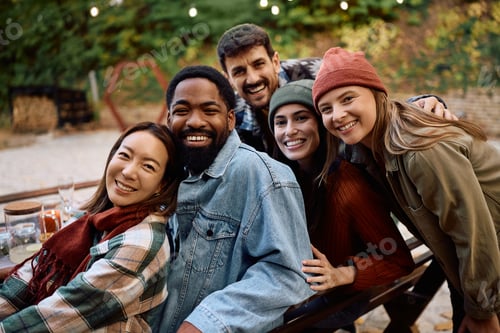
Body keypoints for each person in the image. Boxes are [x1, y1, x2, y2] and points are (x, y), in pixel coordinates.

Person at [312, 46, 500, 333]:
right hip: (469, 271)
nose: (337, 115)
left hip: (490, 268)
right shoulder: (364, 152)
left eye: (347, 98)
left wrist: (483, 310)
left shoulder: (419, 149)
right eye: (326, 109)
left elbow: (472, 232)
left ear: (376, 94)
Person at [155, 65, 314, 333]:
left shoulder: (264, 176)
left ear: (231, 119)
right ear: (169, 118)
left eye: (209, 110)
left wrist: (205, 322)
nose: (195, 121)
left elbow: (288, 275)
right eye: (182, 111)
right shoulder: (163, 171)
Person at [0, 121, 182, 332]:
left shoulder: (143, 242)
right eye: (124, 155)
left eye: (148, 166)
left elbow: (63, 312)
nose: (128, 171)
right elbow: (30, 277)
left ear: (162, 184)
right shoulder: (89, 218)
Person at [268, 79, 415, 331]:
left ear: (322, 125)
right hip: (296, 291)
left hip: (340, 298)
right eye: (281, 122)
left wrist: (341, 274)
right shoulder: (283, 177)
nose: (289, 130)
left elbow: (395, 255)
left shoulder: (348, 186)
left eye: (301, 118)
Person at [216, 22, 454, 156]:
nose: (252, 78)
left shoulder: (316, 73)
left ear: (275, 61)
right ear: (228, 78)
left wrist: (420, 104)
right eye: (239, 72)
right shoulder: (232, 115)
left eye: (259, 64)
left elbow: (374, 106)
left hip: (348, 171)